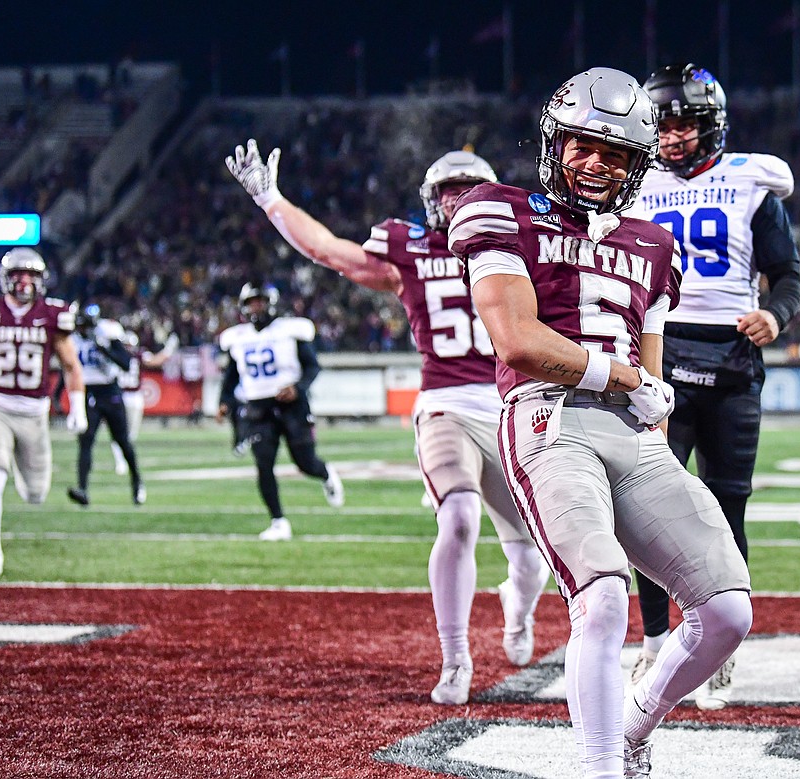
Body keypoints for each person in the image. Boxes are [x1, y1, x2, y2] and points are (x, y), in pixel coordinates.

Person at [449, 66, 753, 778]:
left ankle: (635, 722)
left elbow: (649, 362)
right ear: (555, 143)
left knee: (729, 611)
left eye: (615, 153)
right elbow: (518, 341)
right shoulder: (499, 209)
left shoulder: (652, 244)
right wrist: (626, 378)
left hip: (632, 437)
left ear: (637, 166)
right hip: (547, 421)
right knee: (605, 593)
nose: (596, 163)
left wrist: (654, 397)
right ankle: (597, 769)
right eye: (584, 145)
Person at [224, 142, 548, 705]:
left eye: (469, 188)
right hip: (446, 401)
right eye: (449, 191)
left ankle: (516, 614)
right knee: (461, 517)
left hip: (513, 404)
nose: (458, 199)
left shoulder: (523, 244)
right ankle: (455, 658)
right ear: (431, 202)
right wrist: (271, 200)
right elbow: (330, 251)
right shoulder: (412, 252)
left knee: (531, 555)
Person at [623, 62, 800, 708]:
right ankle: (649, 641)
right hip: (658, 350)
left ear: (710, 125)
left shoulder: (750, 183)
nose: (671, 137)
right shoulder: (633, 185)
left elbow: (787, 277)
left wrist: (774, 315)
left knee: (726, 509)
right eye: (661, 124)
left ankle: (720, 650)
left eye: (683, 123)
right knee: (645, 510)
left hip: (730, 354)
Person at [0, 248, 87, 576]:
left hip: (34, 413)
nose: (24, 281)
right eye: (17, 274)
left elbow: (71, 364)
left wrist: (78, 406)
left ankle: (13, 456)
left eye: (31, 275)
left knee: (35, 494)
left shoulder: (52, 314)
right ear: (5, 279)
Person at [216, 282, 345, 541]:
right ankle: (278, 521)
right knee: (264, 465)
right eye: (251, 302)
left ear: (271, 303)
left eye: (260, 301)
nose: (256, 307)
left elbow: (312, 367)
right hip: (258, 409)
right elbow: (231, 377)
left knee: (305, 463)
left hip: (292, 406)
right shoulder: (238, 338)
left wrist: (297, 388)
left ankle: (326, 473)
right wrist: (224, 401)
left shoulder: (290, 331)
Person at [67, 304, 145, 506]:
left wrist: (105, 349)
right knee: (86, 441)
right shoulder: (73, 340)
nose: (82, 330)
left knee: (123, 441)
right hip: (89, 393)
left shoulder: (108, 334)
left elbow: (126, 363)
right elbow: (69, 367)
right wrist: (60, 392)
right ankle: (82, 489)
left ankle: (137, 482)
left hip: (110, 392)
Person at [110, 331, 178, 475]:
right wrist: (169, 349)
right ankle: (121, 462)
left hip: (127, 396)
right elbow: (156, 360)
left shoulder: (119, 354)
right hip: (126, 396)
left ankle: (122, 461)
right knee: (124, 433)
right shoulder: (136, 355)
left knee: (127, 433)